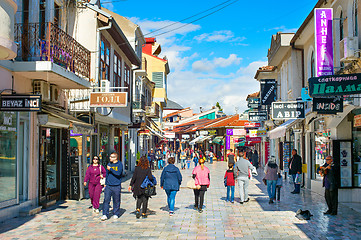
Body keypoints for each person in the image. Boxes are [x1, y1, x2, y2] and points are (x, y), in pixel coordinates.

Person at [101, 152, 123, 221]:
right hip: (108, 186)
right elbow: (107, 174)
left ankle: (116, 213)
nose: (110, 158)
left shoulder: (119, 164)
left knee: (116, 200)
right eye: (110, 157)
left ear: (115, 158)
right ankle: (105, 214)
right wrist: (105, 182)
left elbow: (118, 173)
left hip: (116, 185)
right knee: (106, 200)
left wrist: (111, 169)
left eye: (111, 157)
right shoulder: (109, 164)